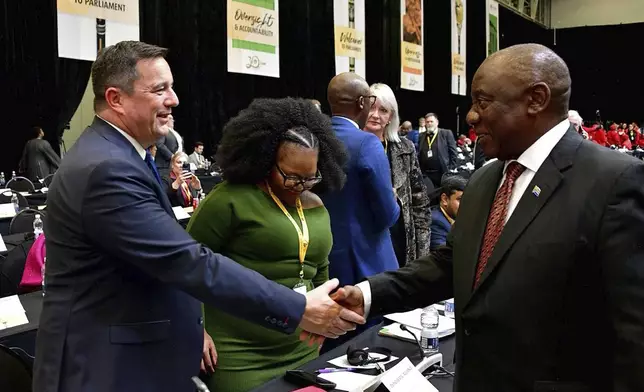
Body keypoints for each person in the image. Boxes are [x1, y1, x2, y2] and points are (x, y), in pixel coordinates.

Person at [34, 41, 364, 392]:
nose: (174, 99)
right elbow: (189, 262)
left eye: (171, 87)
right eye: (160, 89)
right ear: (116, 99)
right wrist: (297, 307)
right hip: (105, 368)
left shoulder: (121, 155)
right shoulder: (108, 168)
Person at [333, 44, 644, 391]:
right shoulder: (484, 179)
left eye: (482, 101)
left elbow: (635, 336)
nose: (471, 116)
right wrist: (368, 293)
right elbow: (452, 263)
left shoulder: (614, 181)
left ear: (535, 99)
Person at [187, 97, 347, 392]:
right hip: (238, 352)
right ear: (264, 160)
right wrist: (196, 330)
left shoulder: (316, 205)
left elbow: (320, 269)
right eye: (291, 177)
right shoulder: (229, 199)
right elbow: (186, 266)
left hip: (302, 346)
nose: (300, 186)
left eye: (310, 178)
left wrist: (326, 316)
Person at [319, 73, 400, 353]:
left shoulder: (312, 139)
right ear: (363, 103)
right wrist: (395, 200)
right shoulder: (367, 144)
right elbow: (387, 215)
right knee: (371, 349)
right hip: (366, 263)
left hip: (322, 261)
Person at [363, 83, 429, 267]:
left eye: (383, 110)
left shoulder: (405, 148)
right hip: (365, 237)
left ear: (391, 116)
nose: (376, 115)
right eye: (371, 108)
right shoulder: (349, 146)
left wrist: (422, 254)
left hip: (400, 235)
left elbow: (420, 202)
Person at [417, 113, 458, 191]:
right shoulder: (421, 135)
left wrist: (451, 169)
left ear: (437, 122)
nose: (429, 124)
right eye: (427, 122)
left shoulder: (446, 133)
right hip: (426, 174)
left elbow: (453, 152)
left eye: (431, 121)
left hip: (442, 172)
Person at [430, 175, 466, 250]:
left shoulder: (456, 217)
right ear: (445, 199)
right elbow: (445, 254)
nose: (465, 204)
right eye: (460, 199)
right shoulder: (435, 222)